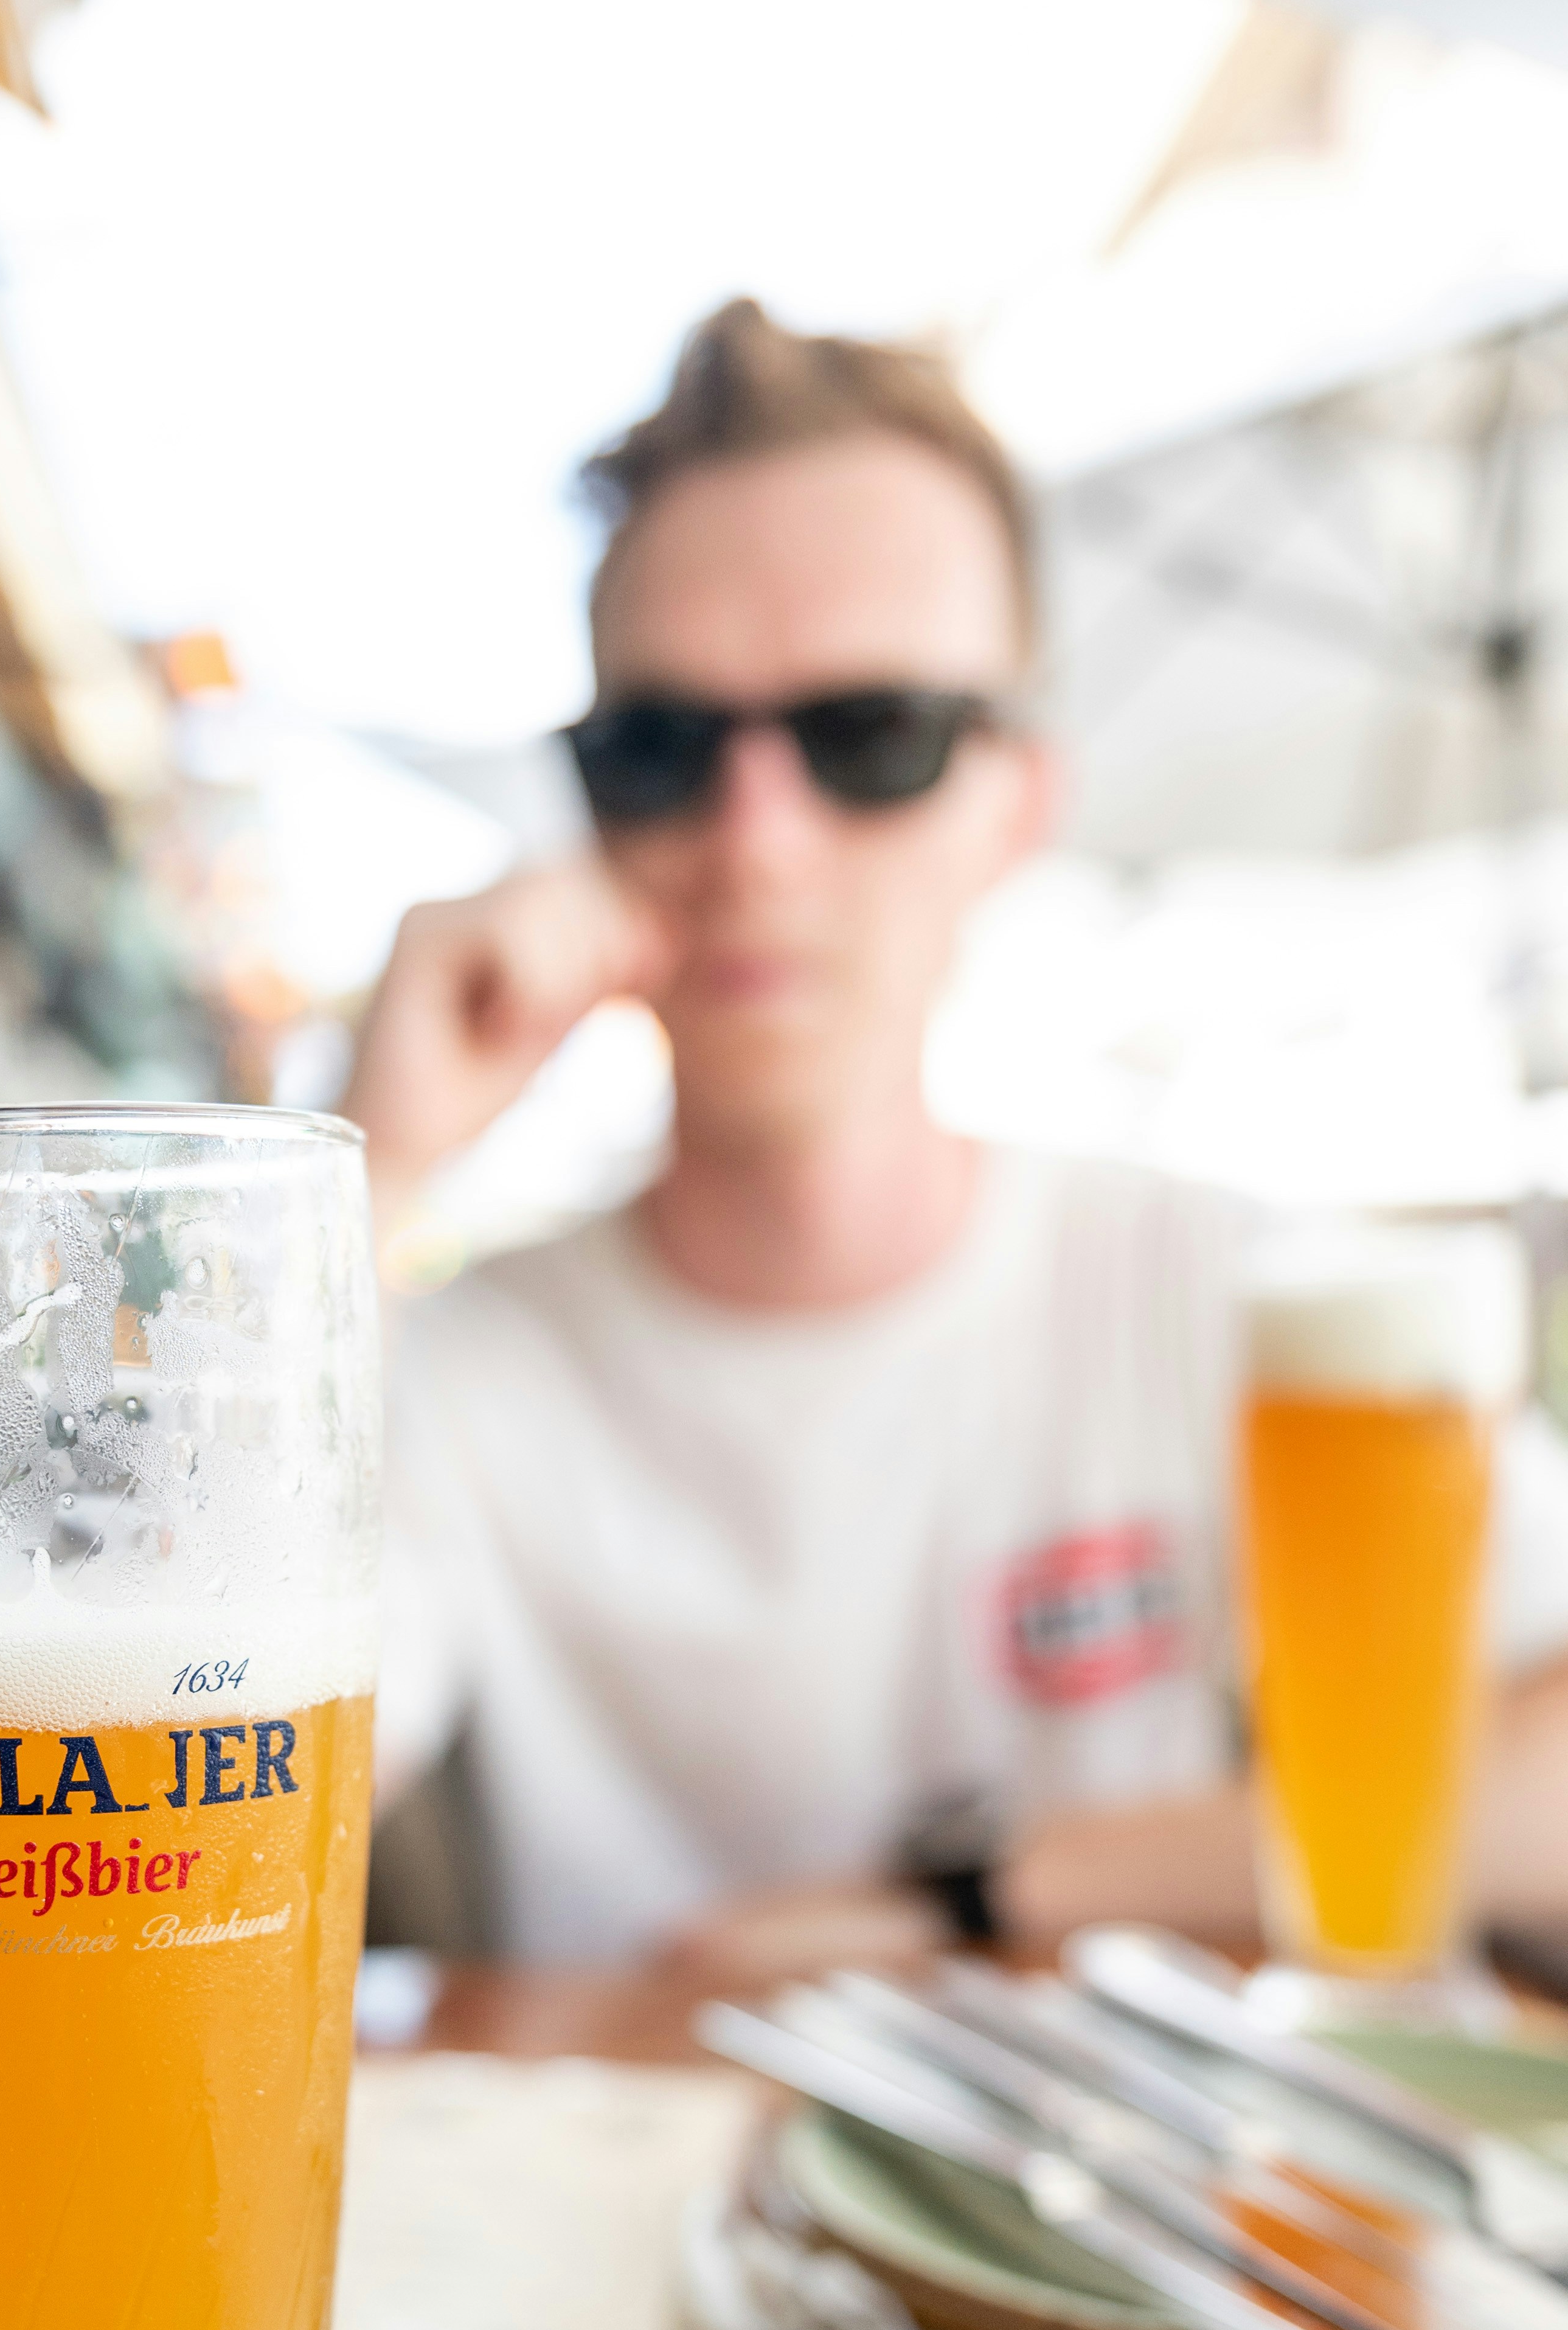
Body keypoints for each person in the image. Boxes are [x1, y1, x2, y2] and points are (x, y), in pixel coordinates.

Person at [349, 299, 1568, 1976]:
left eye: (871, 739)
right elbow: (150, 1801)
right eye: (661, 749)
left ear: (1019, 801)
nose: (754, 840)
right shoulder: (452, 1372)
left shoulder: (1208, 1282)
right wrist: (364, 1171)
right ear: (585, 795)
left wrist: (971, 1892)